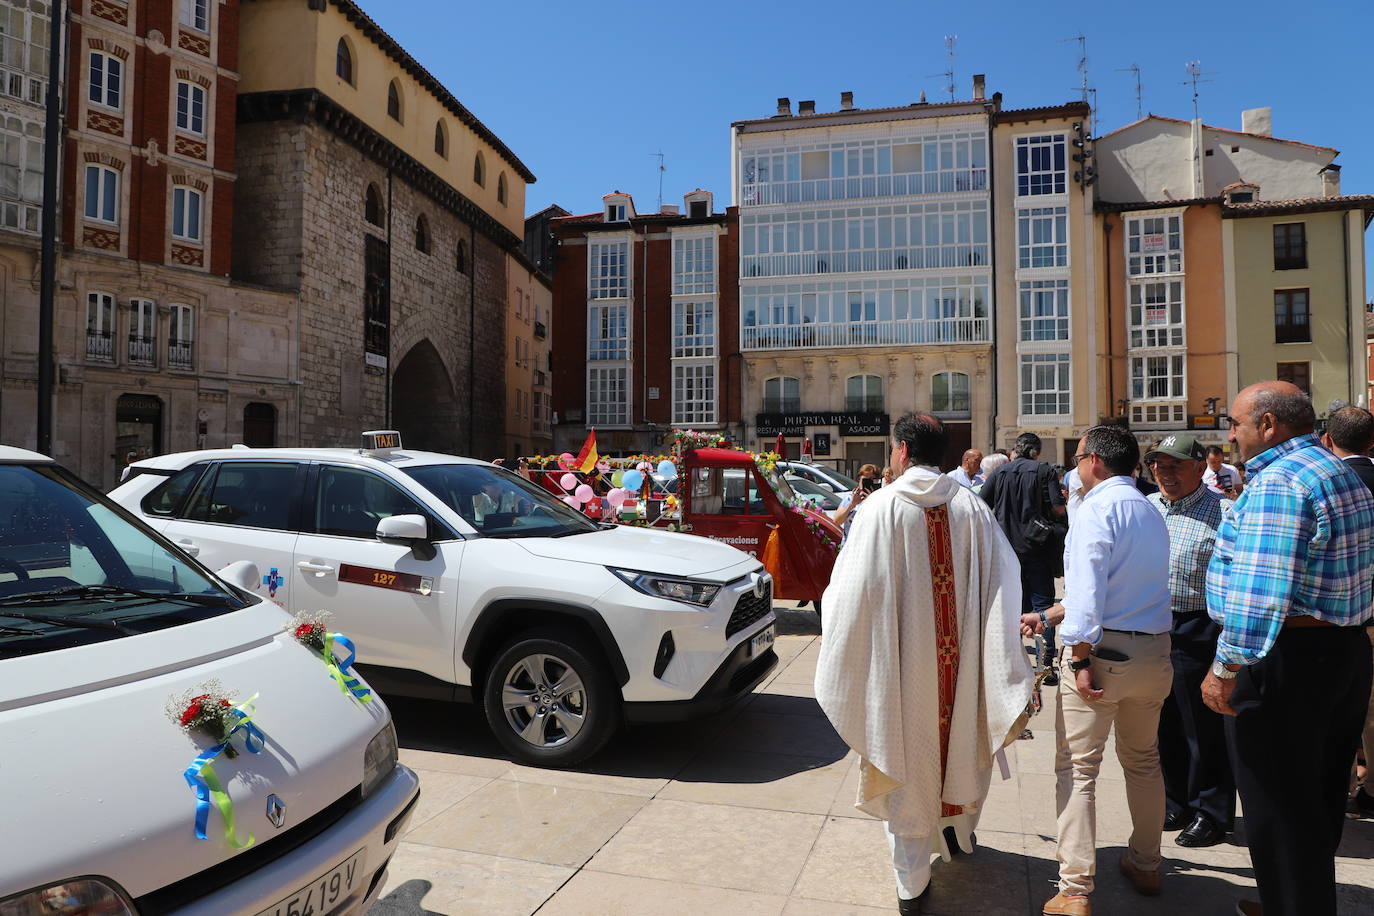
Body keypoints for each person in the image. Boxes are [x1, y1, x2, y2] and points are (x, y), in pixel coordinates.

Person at [816, 413, 1033, 915]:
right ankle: (957, 835)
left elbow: (849, 597)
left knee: (907, 769)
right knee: (957, 753)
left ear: (900, 451)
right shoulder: (973, 509)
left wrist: (858, 653)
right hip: (960, 675)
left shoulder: (879, 509)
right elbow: (1006, 583)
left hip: (903, 675)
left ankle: (911, 888)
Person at [1203, 382, 1374, 916]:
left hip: (1285, 659)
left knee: (1279, 807)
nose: (1230, 434)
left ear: (1270, 424)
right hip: (1341, 650)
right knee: (1316, 798)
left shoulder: (1280, 480)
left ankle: (1294, 902)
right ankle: (1294, 899)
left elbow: (1260, 593)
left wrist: (1225, 666)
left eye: (1235, 423)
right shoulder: (1336, 470)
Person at [1023, 425, 1173, 916]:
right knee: (1144, 761)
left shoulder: (1096, 510)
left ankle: (1074, 888)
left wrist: (1081, 658)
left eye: (1080, 456)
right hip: (1152, 653)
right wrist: (1051, 615)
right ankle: (1147, 863)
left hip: (1103, 654)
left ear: (1095, 462)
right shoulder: (1150, 510)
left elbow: (1089, 598)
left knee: (1078, 769)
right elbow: (1114, 589)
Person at [1143, 434, 1234, 849]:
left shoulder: (1225, 512)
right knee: (1163, 722)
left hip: (1198, 626)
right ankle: (1176, 799)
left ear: (1200, 467)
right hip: (1151, 625)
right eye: (1158, 465)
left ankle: (1211, 812)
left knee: (1203, 726)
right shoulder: (1147, 508)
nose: (1164, 473)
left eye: (1175, 465)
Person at [1320, 406, 1374, 819]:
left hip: (1338, 612)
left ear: (1327, 440)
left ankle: (1336, 788)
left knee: (1337, 708)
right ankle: (1370, 787)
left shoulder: (1326, 484)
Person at [980, 433, 1066, 682]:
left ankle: (1011, 665)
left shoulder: (1001, 472)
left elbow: (981, 503)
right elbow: (1058, 508)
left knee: (1010, 606)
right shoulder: (1044, 471)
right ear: (1037, 452)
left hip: (1006, 550)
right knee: (1042, 606)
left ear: (1016, 449)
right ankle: (1046, 664)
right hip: (1037, 548)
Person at [833, 463, 880, 541]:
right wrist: (852, 504)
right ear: (859, 480)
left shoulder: (879, 499)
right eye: (865, 480)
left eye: (871, 480)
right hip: (849, 546)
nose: (867, 483)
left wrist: (872, 501)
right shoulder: (850, 498)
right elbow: (837, 521)